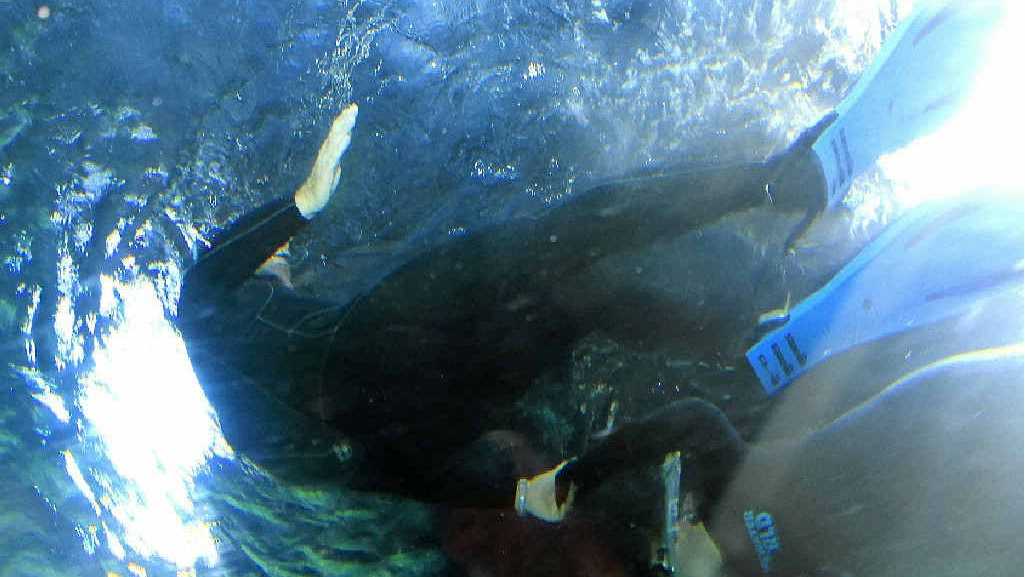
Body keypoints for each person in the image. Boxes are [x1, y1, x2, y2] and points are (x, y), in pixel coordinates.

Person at [176, 103, 829, 509]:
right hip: (377, 340)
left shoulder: (257, 438)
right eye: (275, 258)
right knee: (569, 236)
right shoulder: (209, 308)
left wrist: (510, 494)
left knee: (577, 305)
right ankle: (772, 183)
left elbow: (390, 474)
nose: (285, 263)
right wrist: (299, 206)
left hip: (435, 420)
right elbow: (205, 274)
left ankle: (749, 341)